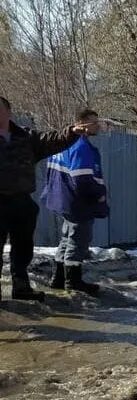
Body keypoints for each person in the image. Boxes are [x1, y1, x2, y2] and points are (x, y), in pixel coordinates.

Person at [0, 97, 90, 302]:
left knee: (22, 248)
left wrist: (71, 132)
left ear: (8, 112)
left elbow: (51, 140)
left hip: (21, 201)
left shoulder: (25, 137)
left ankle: (21, 287)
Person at [41, 108, 107, 296]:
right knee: (78, 240)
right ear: (82, 125)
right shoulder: (81, 146)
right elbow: (82, 180)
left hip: (61, 199)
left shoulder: (63, 144)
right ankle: (73, 281)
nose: (97, 126)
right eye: (94, 122)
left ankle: (58, 278)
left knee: (67, 237)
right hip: (77, 202)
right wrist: (98, 194)